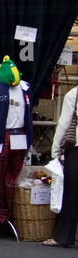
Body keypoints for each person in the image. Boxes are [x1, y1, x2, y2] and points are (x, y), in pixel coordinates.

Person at [47, 85, 78, 247]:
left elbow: (64, 123)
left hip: (76, 149)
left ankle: (63, 236)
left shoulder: (74, 94)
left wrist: (56, 150)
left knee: (71, 194)